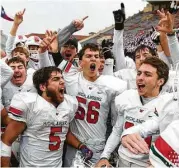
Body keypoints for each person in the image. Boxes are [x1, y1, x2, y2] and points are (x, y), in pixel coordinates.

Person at [1, 66, 90, 167]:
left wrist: (80, 145)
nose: (62, 82)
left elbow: (62, 131)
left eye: (62, 78)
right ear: (43, 87)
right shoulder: (31, 104)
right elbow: (6, 140)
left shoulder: (69, 104)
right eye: (56, 79)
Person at [56, 43, 127, 166]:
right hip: (75, 142)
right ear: (80, 62)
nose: (93, 58)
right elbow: (58, 63)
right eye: (88, 56)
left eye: (96, 56)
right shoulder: (70, 79)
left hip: (97, 146)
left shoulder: (112, 84)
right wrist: (53, 50)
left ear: (100, 62)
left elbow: (117, 120)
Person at [95, 56, 169, 167]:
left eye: (147, 74)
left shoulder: (168, 105)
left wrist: (163, 160)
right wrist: (104, 156)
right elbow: (117, 130)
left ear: (160, 81)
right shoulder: (127, 97)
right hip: (122, 160)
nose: (140, 78)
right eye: (139, 73)